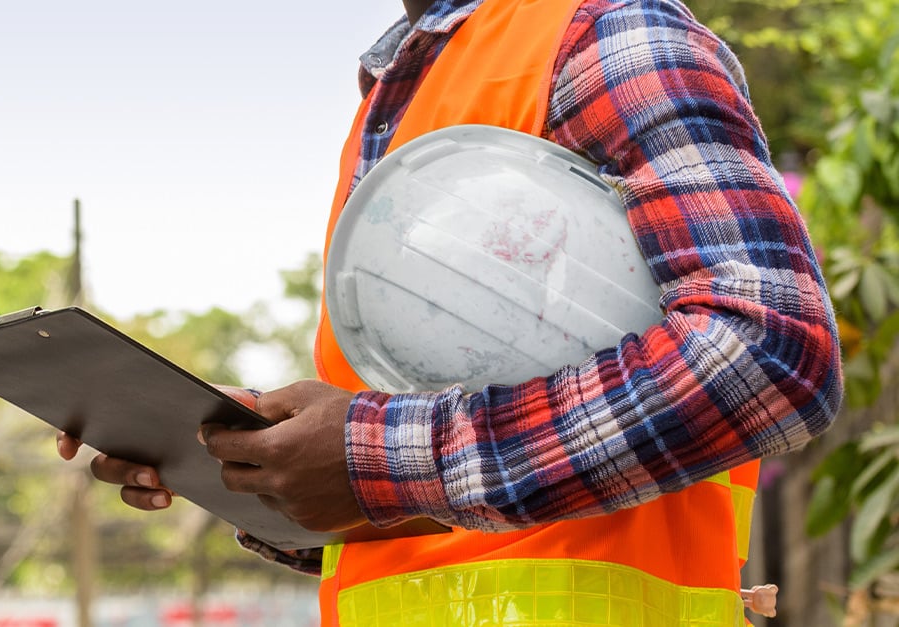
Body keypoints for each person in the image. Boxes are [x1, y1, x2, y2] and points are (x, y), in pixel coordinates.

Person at [59, 0, 843, 623]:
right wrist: (262, 470)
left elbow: (769, 355)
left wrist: (376, 458)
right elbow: (448, 483)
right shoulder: (393, 103)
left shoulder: (608, 35)